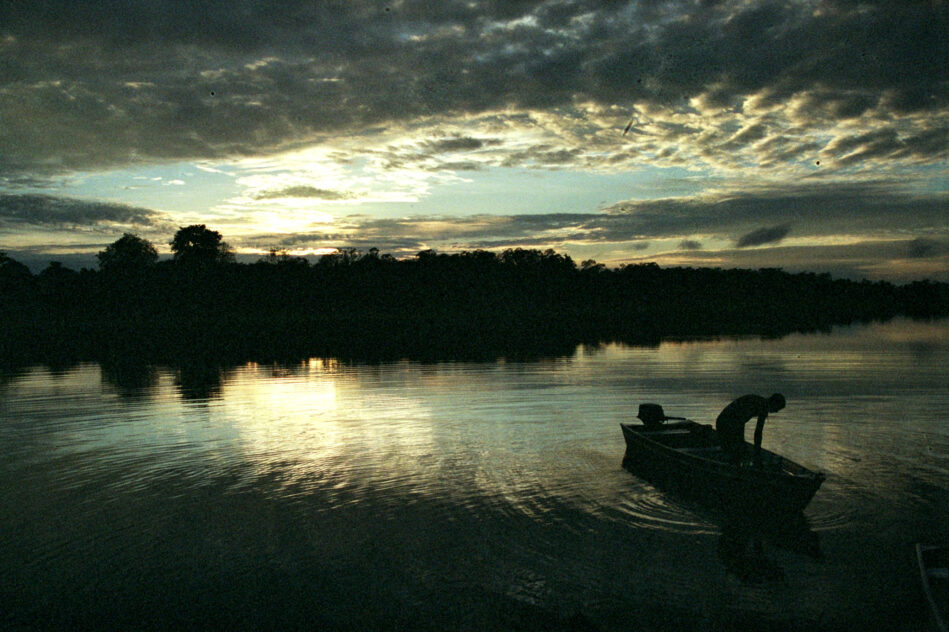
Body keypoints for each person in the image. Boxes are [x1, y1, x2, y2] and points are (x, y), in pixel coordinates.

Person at [715, 393, 785, 467]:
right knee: (736, 450)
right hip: (726, 422)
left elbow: (741, 422)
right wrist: (757, 453)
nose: (776, 411)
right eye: (778, 408)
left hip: (725, 421)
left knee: (737, 449)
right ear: (774, 403)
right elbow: (757, 432)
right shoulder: (763, 406)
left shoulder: (760, 402)